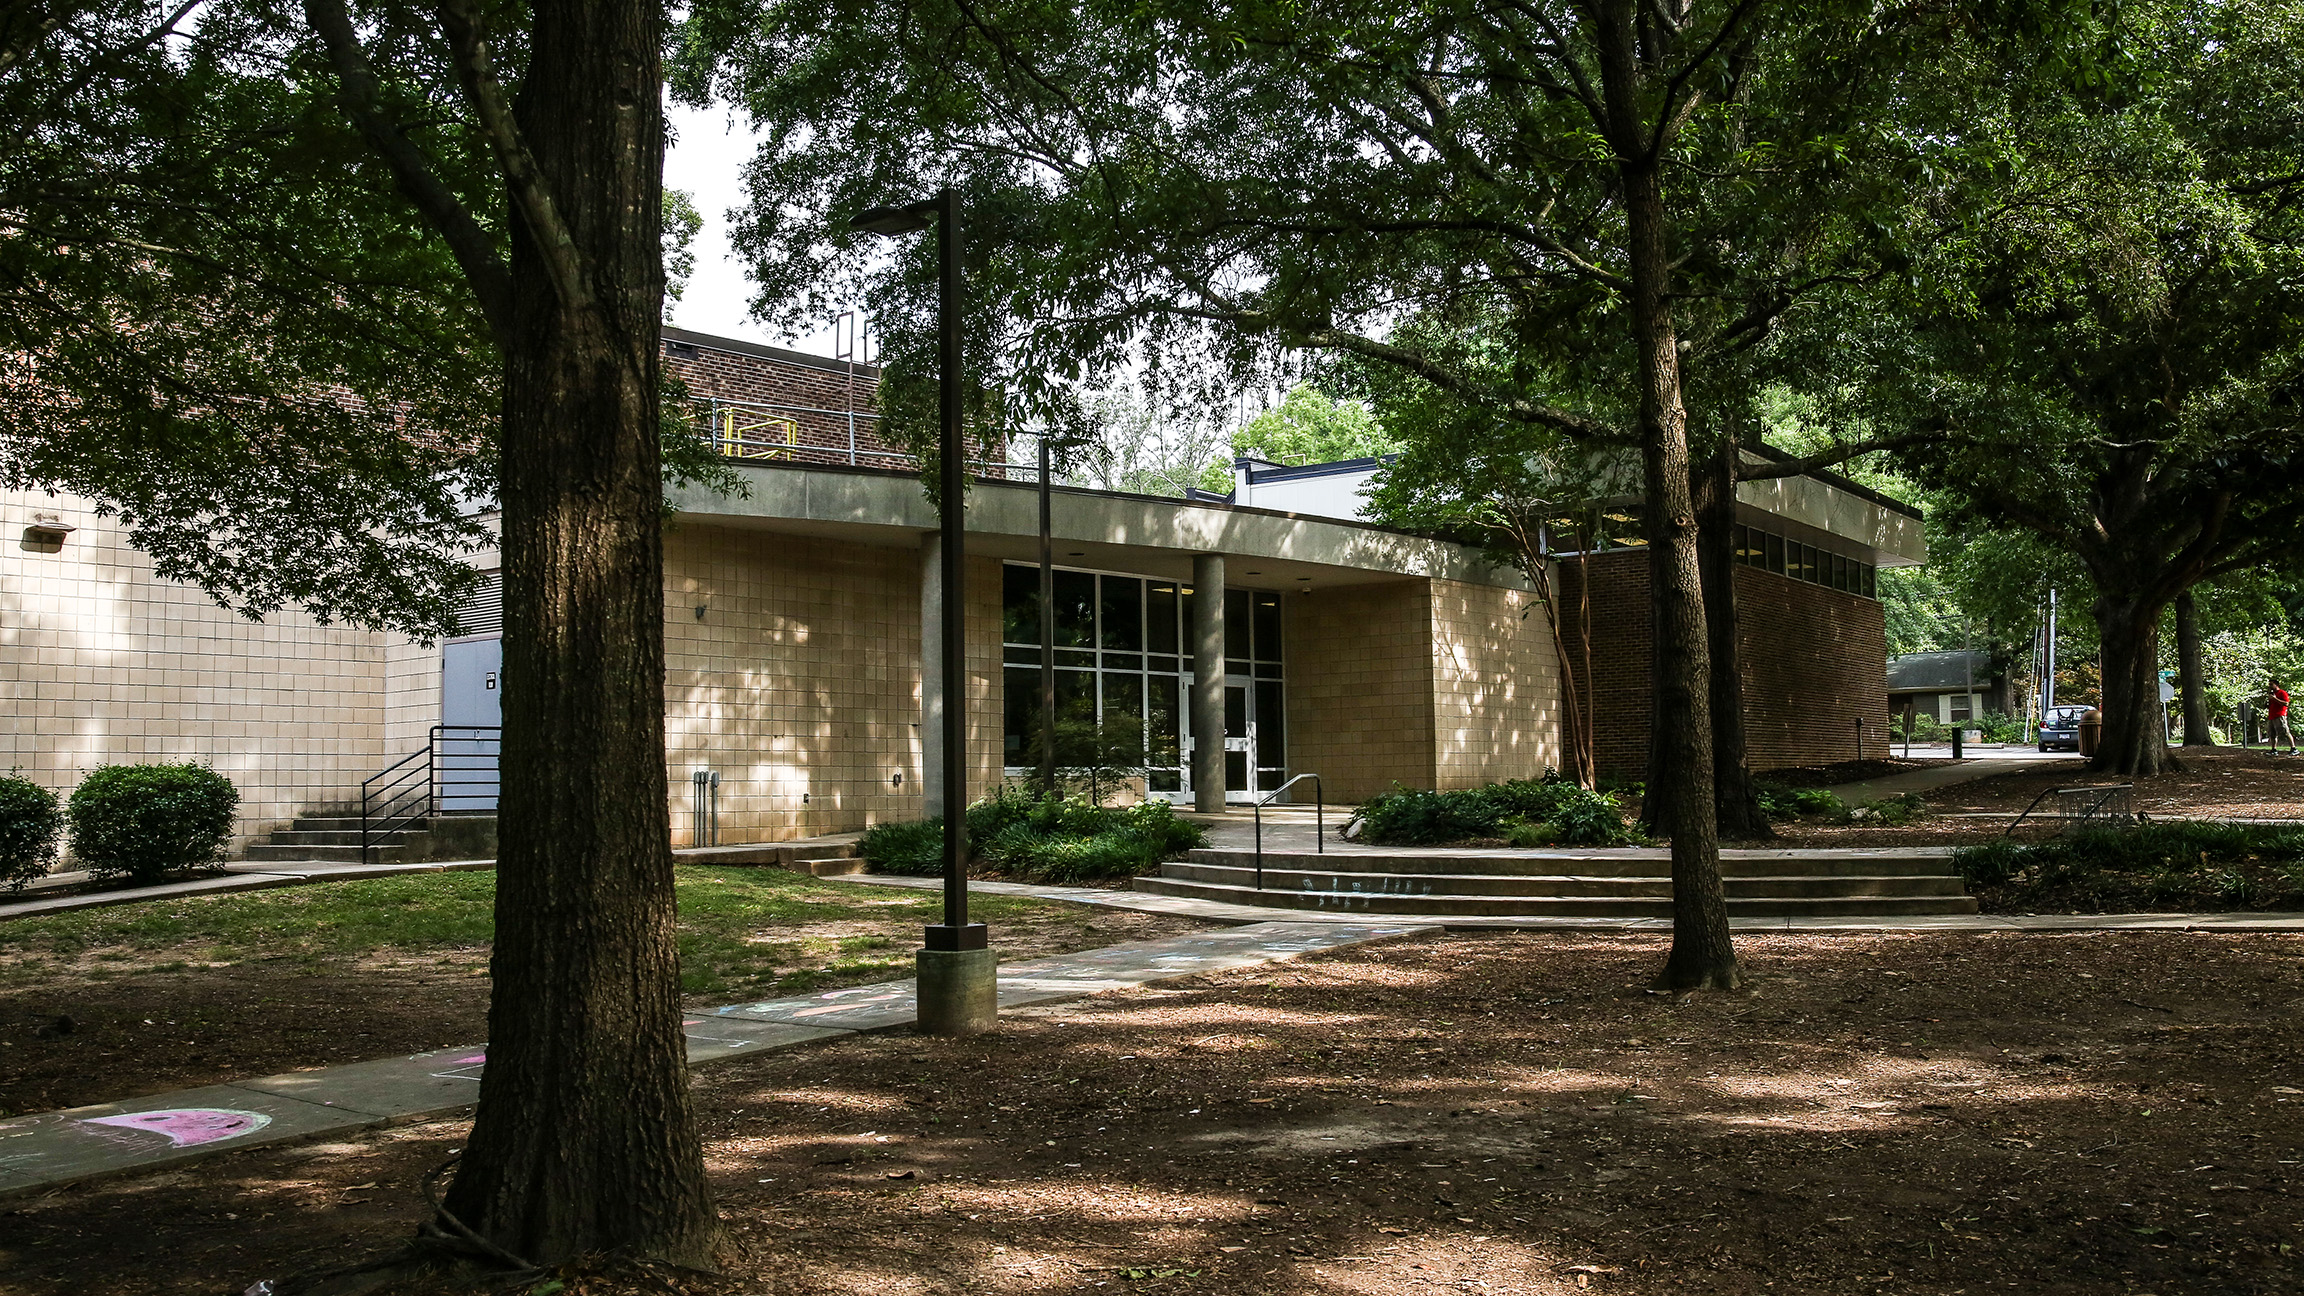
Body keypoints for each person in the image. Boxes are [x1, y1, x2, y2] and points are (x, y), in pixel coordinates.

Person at [2271, 677, 2297, 756]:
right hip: (2271, 716)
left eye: (2271, 684)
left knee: (2285, 732)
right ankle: (2274, 750)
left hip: (2280, 715)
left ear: (2277, 685)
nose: (2270, 686)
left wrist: (2275, 699)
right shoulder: (2272, 694)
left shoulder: (2282, 693)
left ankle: (2293, 748)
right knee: (2272, 733)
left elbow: (2286, 703)